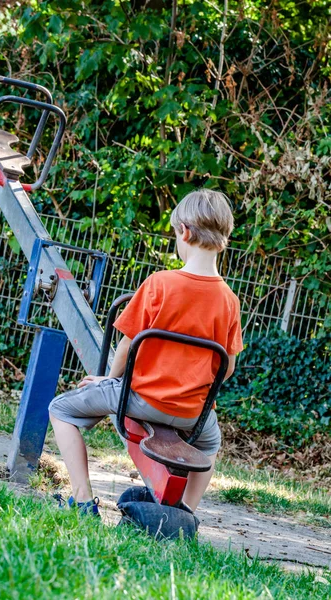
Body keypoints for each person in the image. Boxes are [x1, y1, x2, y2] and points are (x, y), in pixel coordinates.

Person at [49, 189, 243, 517]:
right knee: (209, 446)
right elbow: (227, 368)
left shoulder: (159, 284)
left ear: (184, 231)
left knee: (61, 410)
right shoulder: (229, 300)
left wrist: (108, 380)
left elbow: (127, 345)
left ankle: (82, 501)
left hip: (141, 398)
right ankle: (185, 514)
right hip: (192, 413)